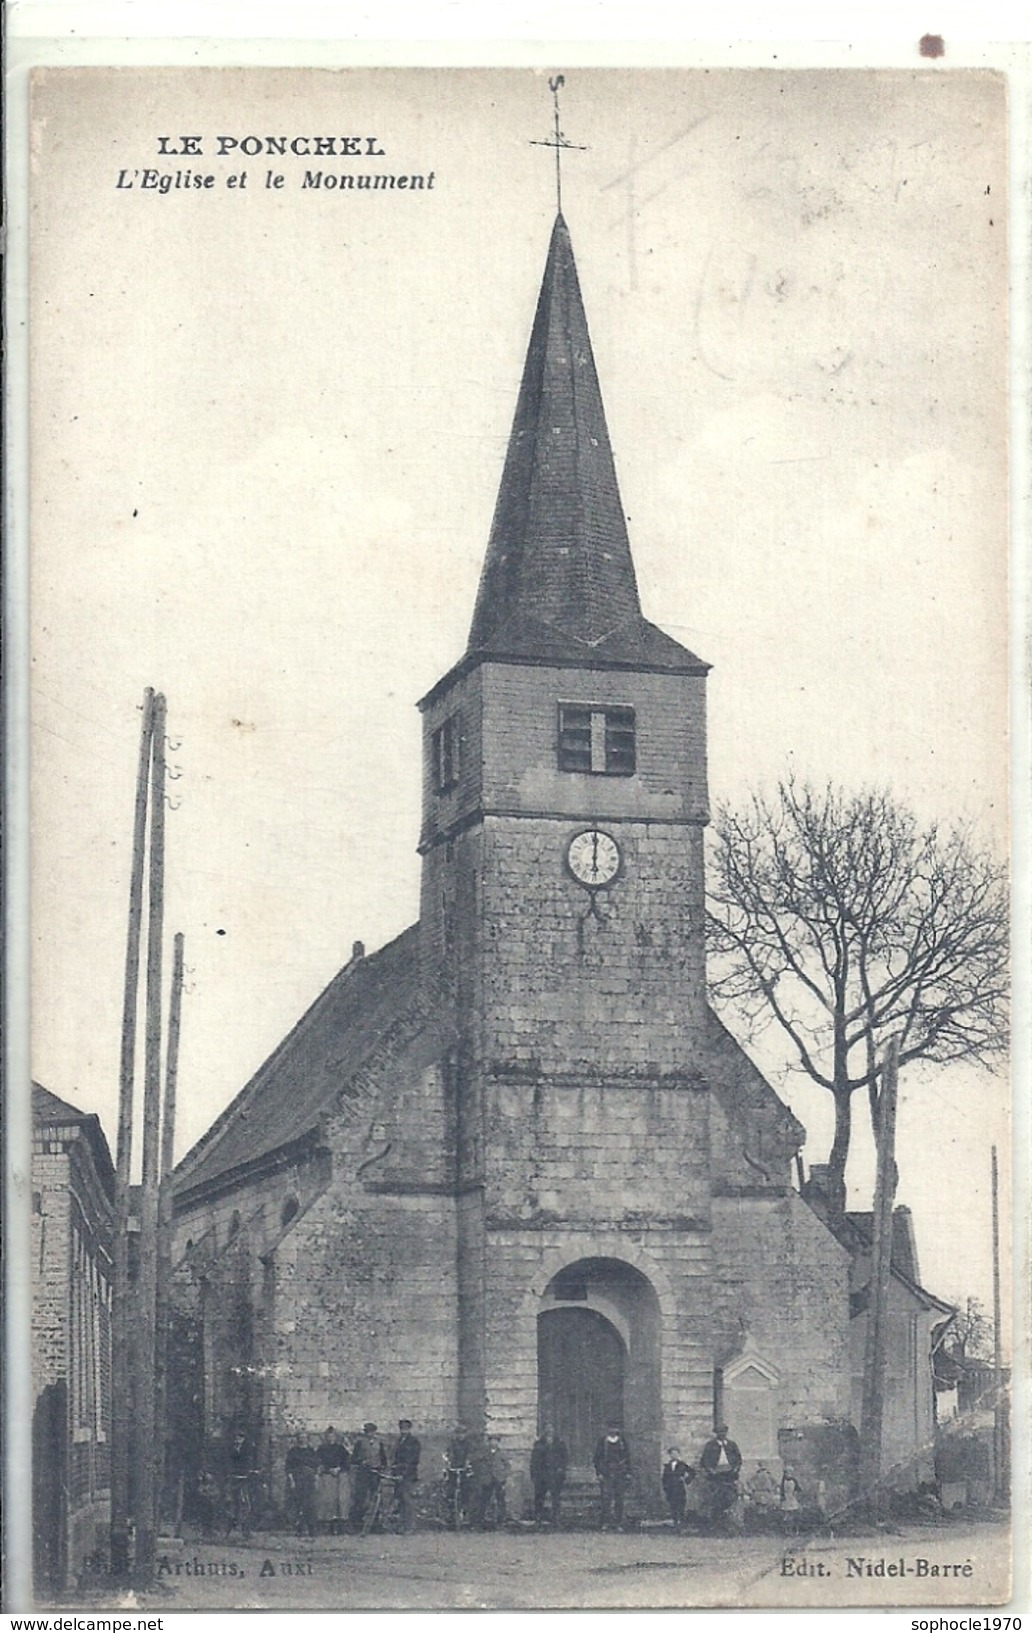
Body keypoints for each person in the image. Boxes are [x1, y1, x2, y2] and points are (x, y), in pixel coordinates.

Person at [700, 1424, 742, 1531]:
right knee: (716, 1498)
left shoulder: (732, 1445)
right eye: (719, 1432)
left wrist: (735, 1469)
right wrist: (711, 1470)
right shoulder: (710, 1445)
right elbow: (704, 1461)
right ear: (716, 1433)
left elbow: (738, 1459)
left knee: (730, 1496)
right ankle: (715, 1523)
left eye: (724, 1432)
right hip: (716, 1475)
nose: (722, 1434)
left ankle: (729, 1522)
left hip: (729, 1475)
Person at [349, 1422, 387, 1531]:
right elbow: (353, 1459)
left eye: (372, 1431)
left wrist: (382, 1467)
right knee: (360, 1498)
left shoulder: (379, 1443)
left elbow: (383, 1458)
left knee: (375, 1498)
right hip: (363, 1474)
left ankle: (375, 1524)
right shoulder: (360, 1443)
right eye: (368, 1432)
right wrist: (361, 1462)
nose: (370, 1434)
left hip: (375, 1474)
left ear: (375, 1432)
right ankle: (357, 1524)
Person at [594, 1422, 632, 1530]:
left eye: (615, 1428)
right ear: (607, 1429)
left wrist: (628, 1472)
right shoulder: (602, 1442)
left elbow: (627, 1457)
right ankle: (605, 1522)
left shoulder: (622, 1442)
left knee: (619, 1498)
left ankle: (618, 1523)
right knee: (606, 1498)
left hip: (620, 1473)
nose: (613, 1430)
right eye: (611, 1428)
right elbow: (597, 1458)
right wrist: (599, 1473)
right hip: (606, 1473)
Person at [530, 1422, 568, 1527]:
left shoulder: (560, 1443)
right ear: (544, 1430)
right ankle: (538, 1518)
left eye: (551, 1428)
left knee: (555, 1497)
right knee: (539, 1497)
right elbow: (534, 1460)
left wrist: (561, 1469)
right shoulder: (539, 1444)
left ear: (554, 1430)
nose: (549, 1430)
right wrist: (533, 1474)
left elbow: (564, 1458)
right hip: (541, 1475)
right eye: (547, 1428)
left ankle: (556, 1519)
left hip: (555, 1475)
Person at [315, 1427, 349, 1535]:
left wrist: (338, 1469)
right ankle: (328, 1526)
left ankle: (340, 1526)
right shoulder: (321, 1449)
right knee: (328, 1500)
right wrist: (327, 1469)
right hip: (327, 1476)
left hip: (340, 1476)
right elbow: (318, 1462)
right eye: (328, 1436)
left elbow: (347, 1462)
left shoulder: (341, 1449)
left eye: (332, 1436)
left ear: (336, 1437)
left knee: (341, 1500)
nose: (330, 1438)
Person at [471, 1434, 509, 1530]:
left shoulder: (502, 1453)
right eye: (491, 1440)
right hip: (487, 1480)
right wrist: (482, 1476)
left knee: (500, 1500)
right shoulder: (484, 1453)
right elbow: (478, 1465)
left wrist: (503, 1476)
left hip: (498, 1480)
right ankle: (480, 1522)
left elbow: (507, 1466)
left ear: (498, 1442)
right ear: (489, 1442)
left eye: (495, 1441)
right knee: (484, 1500)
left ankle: (501, 1522)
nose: (493, 1443)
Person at [390, 1418, 421, 1534]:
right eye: (401, 1428)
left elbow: (413, 1461)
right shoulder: (399, 1441)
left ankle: (410, 1526)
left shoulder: (413, 1442)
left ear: (409, 1429)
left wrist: (403, 1473)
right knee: (401, 1500)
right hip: (398, 1474)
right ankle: (402, 1525)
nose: (403, 1431)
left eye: (406, 1429)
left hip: (408, 1475)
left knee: (407, 1500)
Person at [285, 1432, 318, 1538]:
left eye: (304, 1437)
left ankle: (311, 1528)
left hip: (309, 1480)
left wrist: (316, 1478)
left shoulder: (311, 1451)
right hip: (298, 1479)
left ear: (307, 1439)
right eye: (300, 1437)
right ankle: (299, 1529)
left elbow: (316, 1466)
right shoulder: (293, 1451)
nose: (303, 1439)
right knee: (298, 1504)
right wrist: (291, 1480)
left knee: (310, 1504)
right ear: (297, 1439)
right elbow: (288, 1467)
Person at [444, 1423, 474, 1529]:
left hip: (464, 1469)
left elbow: (470, 1454)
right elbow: (448, 1454)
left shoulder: (468, 1444)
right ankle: (450, 1512)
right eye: (458, 1433)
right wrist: (448, 1463)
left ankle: (465, 1510)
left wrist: (467, 1463)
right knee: (450, 1488)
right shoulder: (452, 1444)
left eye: (462, 1433)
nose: (461, 1436)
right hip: (454, 1468)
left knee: (466, 1488)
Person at [661, 1446, 695, 1530]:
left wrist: (686, 1479)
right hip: (671, 1489)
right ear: (670, 1455)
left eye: (676, 1453)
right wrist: (665, 1487)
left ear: (679, 1454)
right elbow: (664, 1478)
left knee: (681, 1504)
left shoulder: (682, 1464)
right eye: (672, 1454)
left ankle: (681, 1522)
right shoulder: (667, 1466)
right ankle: (675, 1521)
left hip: (679, 1487)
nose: (674, 1455)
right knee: (673, 1505)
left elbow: (692, 1472)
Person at [745, 1461, 779, 1530]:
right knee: (759, 1509)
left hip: (766, 1492)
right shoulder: (756, 1474)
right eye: (761, 1466)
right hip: (758, 1492)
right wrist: (753, 1487)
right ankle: (759, 1526)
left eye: (764, 1467)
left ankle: (765, 1525)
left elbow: (775, 1482)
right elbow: (748, 1480)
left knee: (765, 1509)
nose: (763, 1469)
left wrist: (772, 1488)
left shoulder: (769, 1475)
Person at [779, 1464, 803, 1534]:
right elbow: (782, 1491)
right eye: (787, 1472)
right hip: (786, 1499)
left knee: (793, 1514)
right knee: (786, 1515)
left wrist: (796, 1494)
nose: (789, 1474)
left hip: (792, 1498)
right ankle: (787, 1530)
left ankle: (795, 1530)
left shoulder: (794, 1481)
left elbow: (799, 1489)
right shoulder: (783, 1481)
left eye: (790, 1472)